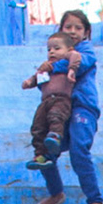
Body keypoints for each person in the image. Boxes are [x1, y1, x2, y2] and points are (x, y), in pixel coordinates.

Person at [33, 9, 103, 204]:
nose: (73, 31)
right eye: (68, 27)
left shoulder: (85, 50)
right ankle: (56, 193)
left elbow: (79, 64)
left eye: (78, 28)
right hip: (59, 111)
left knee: (78, 149)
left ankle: (96, 200)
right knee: (46, 152)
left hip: (82, 107)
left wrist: (50, 67)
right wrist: (40, 76)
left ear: (86, 32)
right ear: (61, 30)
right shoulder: (54, 56)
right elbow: (44, 84)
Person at [22, 32, 79, 170]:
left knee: (56, 117)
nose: (52, 52)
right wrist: (29, 82)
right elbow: (37, 78)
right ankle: (40, 155)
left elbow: (75, 56)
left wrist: (72, 69)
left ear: (68, 50)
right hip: (45, 102)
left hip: (61, 99)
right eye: (49, 50)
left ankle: (55, 137)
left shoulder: (66, 63)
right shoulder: (46, 68)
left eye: (57, 48)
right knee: (37, 126)